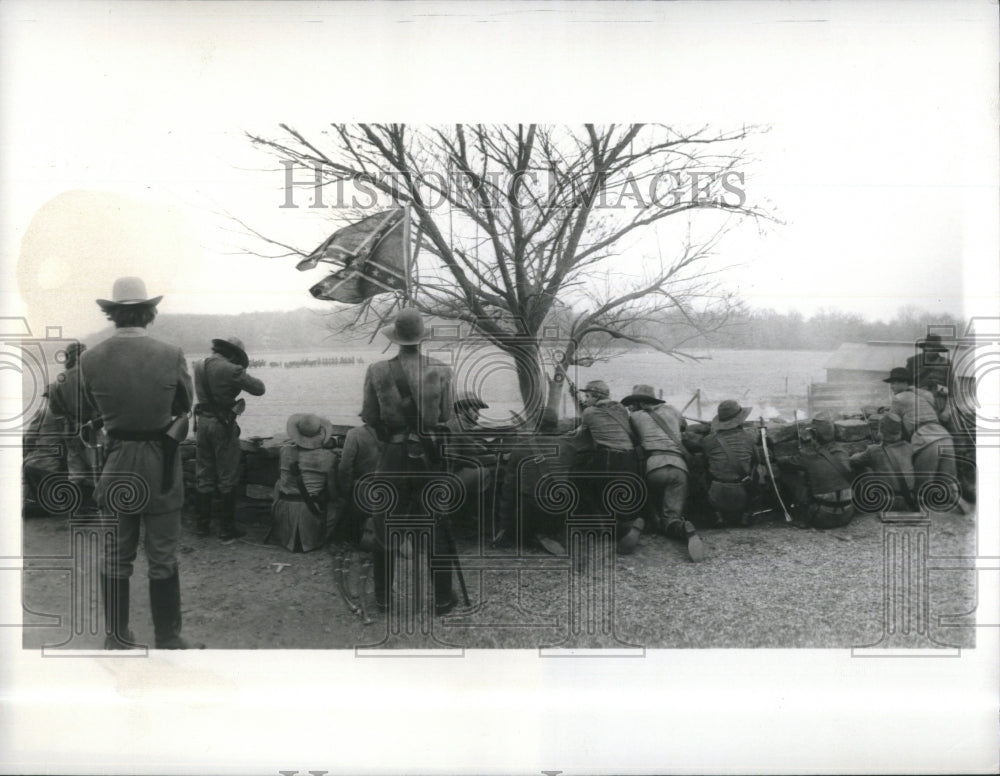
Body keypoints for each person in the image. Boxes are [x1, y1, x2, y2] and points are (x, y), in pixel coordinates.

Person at [79, 277, 200, 649]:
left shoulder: (89, 357)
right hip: (160, 462)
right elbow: (185, 405)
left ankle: (117, 638)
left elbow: (90, 409)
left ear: (112, 313)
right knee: (162, 556)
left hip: (116, 461)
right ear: (149, 311)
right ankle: (168, 638)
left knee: (117, 555)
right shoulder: (171, 352)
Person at [360, 308, 458, 615]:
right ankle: (442, 599)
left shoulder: (376, 371)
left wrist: (391, 441)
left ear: (396, 338)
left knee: (384, 525)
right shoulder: (442, 370)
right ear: (421, 338)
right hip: (428, 458)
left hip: (392, 456)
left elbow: (370, 417)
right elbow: (446, 417)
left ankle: (383, 599)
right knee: (435, 525)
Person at [621, 384, 705, 562]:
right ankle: (679, 526)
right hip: (679, 467)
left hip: (653, 467)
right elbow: (683, 427)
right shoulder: (673, 410)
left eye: (632, 403)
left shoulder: (635, 417)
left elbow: (631, 437)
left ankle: (645, 521)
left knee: (647, 491)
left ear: (637, 403)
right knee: (672, 514)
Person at [193, 335, 266, 539]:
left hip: (202, 424)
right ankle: (226, 529)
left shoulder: (198, 364)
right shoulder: (232, 370)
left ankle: (202, 527)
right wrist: (240, 373)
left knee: (204, 475)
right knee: (227, 476)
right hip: (222, 425)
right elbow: (260, 389)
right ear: (233, 354)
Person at [569, 379, 644, 554]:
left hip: (609, 457)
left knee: (582, 483)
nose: (586, 399)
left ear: (595, 396)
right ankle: (629, 526)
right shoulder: (621, 409)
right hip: (630, 458)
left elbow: (581, 431)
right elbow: (595, 411)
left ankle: (601, 527)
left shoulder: (589, 413)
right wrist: (575, 396)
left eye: (587, 396)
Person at [495, 408, 575, 554]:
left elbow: (509, 490)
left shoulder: (521, 448)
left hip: (531, 513)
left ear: (536, 425)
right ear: (555, 425)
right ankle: (551, 533)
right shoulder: (568, 446)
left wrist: (504, 526)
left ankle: (531, 533)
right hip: (559, 511)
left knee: (515, 489)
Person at [884, 366, 961, 511]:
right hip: (944, 436)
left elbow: (892, 422)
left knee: (921, 485)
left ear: (904, 383)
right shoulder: (925, 395)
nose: (892, 386)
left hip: (926, 439)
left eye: (894, 383)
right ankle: (961, 509)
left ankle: (923, 516)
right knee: (949, 481)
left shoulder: (898, 398)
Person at [271, 414, 338, 552]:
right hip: (309, 513)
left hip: (283, 511)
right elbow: (333, 494)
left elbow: (281, 476)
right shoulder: (329, 458)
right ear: (320, 433)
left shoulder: (284, 451)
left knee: (279, 484)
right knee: (338, 502)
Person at [778, 412, 855, 529]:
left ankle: (799, 515)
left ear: (813, 434)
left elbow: (782, 463)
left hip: (822, 518)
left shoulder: (808, 456)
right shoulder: (843, 452)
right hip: (847, 515)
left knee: (792, 475)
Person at [47, 342, 100, 512]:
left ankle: (75, 509)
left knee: (75, 471)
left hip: (70, 430)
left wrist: (68, 425)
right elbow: (101, 404)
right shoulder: (91, 376)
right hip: (92, 428)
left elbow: (55, 410)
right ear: (81, 356)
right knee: (97, 467)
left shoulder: (57, 382)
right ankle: (101, 507)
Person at [700, 400, 758, 527]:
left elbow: (705, 463)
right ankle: (746, 514)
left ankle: (717, 515)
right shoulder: (749, 438)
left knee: (704, 472)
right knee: (758, 471)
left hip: (716, 495)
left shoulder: (707, 440)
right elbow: (757, 461)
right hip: (742, 494)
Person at [445, 391, 496, 530]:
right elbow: (473, 454)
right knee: (490, 473)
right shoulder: (461, 424)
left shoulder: (453, 422)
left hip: (448, 472)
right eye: (475, 410)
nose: (478, 415)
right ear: (463, 409)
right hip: (451, 475)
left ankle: (467, 516)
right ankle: (478, 519)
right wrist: (495, 455)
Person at [849, 412, 916, 512]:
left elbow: (853, 461)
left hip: (887, 503)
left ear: (881, 430)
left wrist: (856, 452)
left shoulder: (873, 450)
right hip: (909, 498)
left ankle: (862, 506)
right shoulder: (910, 447)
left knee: (862, 468)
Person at [336, 418, 383, 545]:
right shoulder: (397, 435)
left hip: (362, 492)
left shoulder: (355, 434)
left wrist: (345, 492)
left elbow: (345, 468)